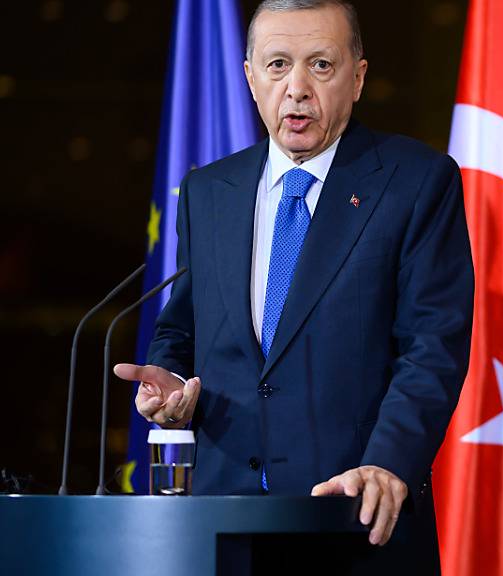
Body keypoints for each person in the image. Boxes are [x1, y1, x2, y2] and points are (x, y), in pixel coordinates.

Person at [113, 0, 473, 566]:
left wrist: (388, 463)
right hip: (222, 525)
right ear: (250, 77)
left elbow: (433, 348)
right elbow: (181, 329)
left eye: (321, 65)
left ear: (358, 78)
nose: (297, 88)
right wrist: (174, 389)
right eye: (278, 65)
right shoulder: (209, 192)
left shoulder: (416, 182)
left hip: (354, 517)